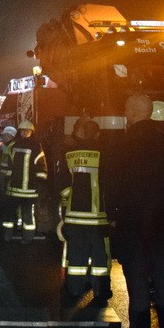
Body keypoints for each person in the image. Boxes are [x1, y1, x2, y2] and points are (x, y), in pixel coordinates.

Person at [106, 94, 164, 328]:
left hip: (132, 225)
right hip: (162, 224)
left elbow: (112, 185)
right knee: (163, 279)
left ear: (131, 112)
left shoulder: (121, 145)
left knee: (138, 283)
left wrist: (114, 216)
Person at [55, 117, 111, 303]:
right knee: (99, 258)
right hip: (98, 217)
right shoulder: (105, 154)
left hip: (75, 216)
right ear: (96, 133)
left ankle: (74, 290)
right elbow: (113, 184)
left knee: (76, 256)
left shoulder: (70, 153)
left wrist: (69, 199)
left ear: (83, 132)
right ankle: (101, 292)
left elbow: (61, 184)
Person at [3, 120, 48, 243]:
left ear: (31, 132)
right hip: (14, 188)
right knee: (9, 215)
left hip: (29, 189)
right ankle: (7, 236)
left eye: (27, 131)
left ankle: (28, 238)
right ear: (19, 131)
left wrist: (40, 182)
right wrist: (5, 180)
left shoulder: (36, 147)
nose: (25, 133)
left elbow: (41, 166)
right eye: (22, 130)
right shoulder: (13, 145)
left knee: (28, 215)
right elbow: (7, 165)